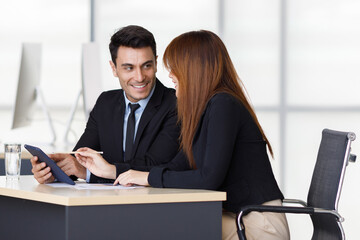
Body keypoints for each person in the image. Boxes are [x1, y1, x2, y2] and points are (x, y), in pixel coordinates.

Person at [75, 30, 290, 240]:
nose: (169, 75)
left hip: (257, 225)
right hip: (234, 217)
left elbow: (208, 178)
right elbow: (177, 165)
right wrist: (116, 172)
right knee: (158, 221)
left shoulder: (224, 104)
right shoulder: (206, 110)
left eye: (175, 68)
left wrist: (147, 178)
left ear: (193, 70)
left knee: (162, 224)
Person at [31, 25, 180, 183]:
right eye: (129, 68)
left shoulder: (175, 104)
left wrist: (89, 173)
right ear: (114, 68)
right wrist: (54, 171)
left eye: (146, 66)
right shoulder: (106, 103)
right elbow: (81, 158)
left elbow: (156, 165)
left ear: (156, 63)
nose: (139, 77)